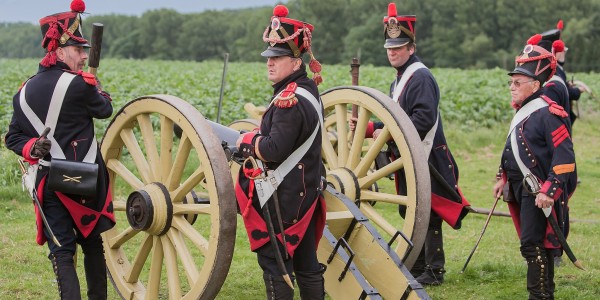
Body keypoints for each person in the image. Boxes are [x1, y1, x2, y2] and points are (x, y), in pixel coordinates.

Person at [351, 2, 470, 285]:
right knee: (411, 209)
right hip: (410, 152)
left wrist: (384, 134)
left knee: (427, 212)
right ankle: (418, 266)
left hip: (426, 154)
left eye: (398, 47)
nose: (393, 52)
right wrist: (371, 128)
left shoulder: (421, 77)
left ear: (411, 48)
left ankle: (434, 269)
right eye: (390, 48)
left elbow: (422, 120)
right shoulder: (400, 79)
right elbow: (399, 118)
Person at [4, 1, 115, 299]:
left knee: (62, 252)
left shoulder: (23, 92)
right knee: (92, 246)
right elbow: (105, 110)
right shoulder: (81, 86)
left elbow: (12, 137)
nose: (82, 56)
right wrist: (97, 87)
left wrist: (32, 147)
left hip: (48, 183)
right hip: (84, 182)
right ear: (61, 51)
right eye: (79, 50)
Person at [235, 5, 326, 299]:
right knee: (306, 264)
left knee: (276, 265)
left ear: (296, 62)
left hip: (284, 199)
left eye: (278, 58)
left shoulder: (290, 99)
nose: (270, 64)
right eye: (269, 58)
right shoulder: (308, 90)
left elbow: (274, 150)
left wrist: (246, 141)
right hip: (306, 191)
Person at [492, 39, 577, 299]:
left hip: (537, 191)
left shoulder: (549, 113)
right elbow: (512, 147)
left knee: (533, 244)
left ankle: (539, 295)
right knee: (536, 243)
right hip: (520, 188)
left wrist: (549, 190)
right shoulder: (523, 112)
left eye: (518, 83)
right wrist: (500, 177)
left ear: (535, 85)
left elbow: (565, 157)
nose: (512, 88)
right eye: (511, 82)